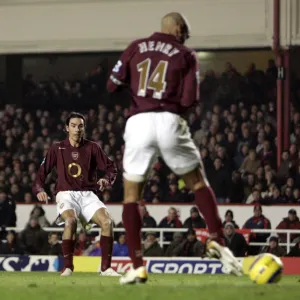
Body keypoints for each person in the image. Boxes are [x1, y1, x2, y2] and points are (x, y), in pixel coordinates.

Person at [107, 12, 242, 285]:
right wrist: (171, 112)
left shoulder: (135, 47)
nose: (187, 37)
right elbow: (191, 98)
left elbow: (112, 85)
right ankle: (217, 240)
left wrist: (136, 93)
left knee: (131, 195)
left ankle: (137, 266)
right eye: (186, 32)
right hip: (169, 119)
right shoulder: (186, 54)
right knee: (197, 183)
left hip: (139, 122)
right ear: (178, 28)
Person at [32, 112, 119, 277]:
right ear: (67, 128)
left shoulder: (93, 147)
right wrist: (39, 190)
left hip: (88, 194)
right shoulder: (57, 148)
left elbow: (111, 168)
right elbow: (41, 173)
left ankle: (106, 268)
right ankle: (68, 268)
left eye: (80, 126)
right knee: (70, 221)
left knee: (107, 222)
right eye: (73, 126)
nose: (77, 129)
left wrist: (106, 180)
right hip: (66, 194)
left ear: (84, 128)